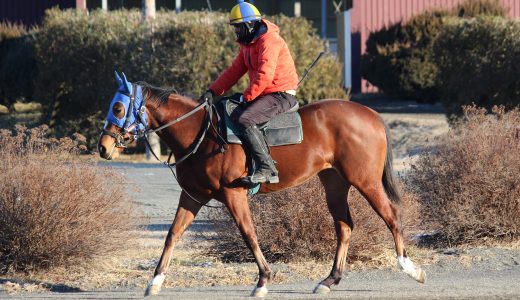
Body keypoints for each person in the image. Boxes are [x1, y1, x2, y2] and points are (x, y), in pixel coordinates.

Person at [200, 0, 299, 186]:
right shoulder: (248, 44)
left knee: (246, 118)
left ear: (249, 25)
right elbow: (234, 71)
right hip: (265, 93)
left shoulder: (270, 41)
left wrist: (247, 97)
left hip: (281, 95)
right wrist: (213, 91)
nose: (235, 32)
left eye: (237, 27)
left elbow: (265, 74)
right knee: (226, 107)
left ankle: (267, 168)